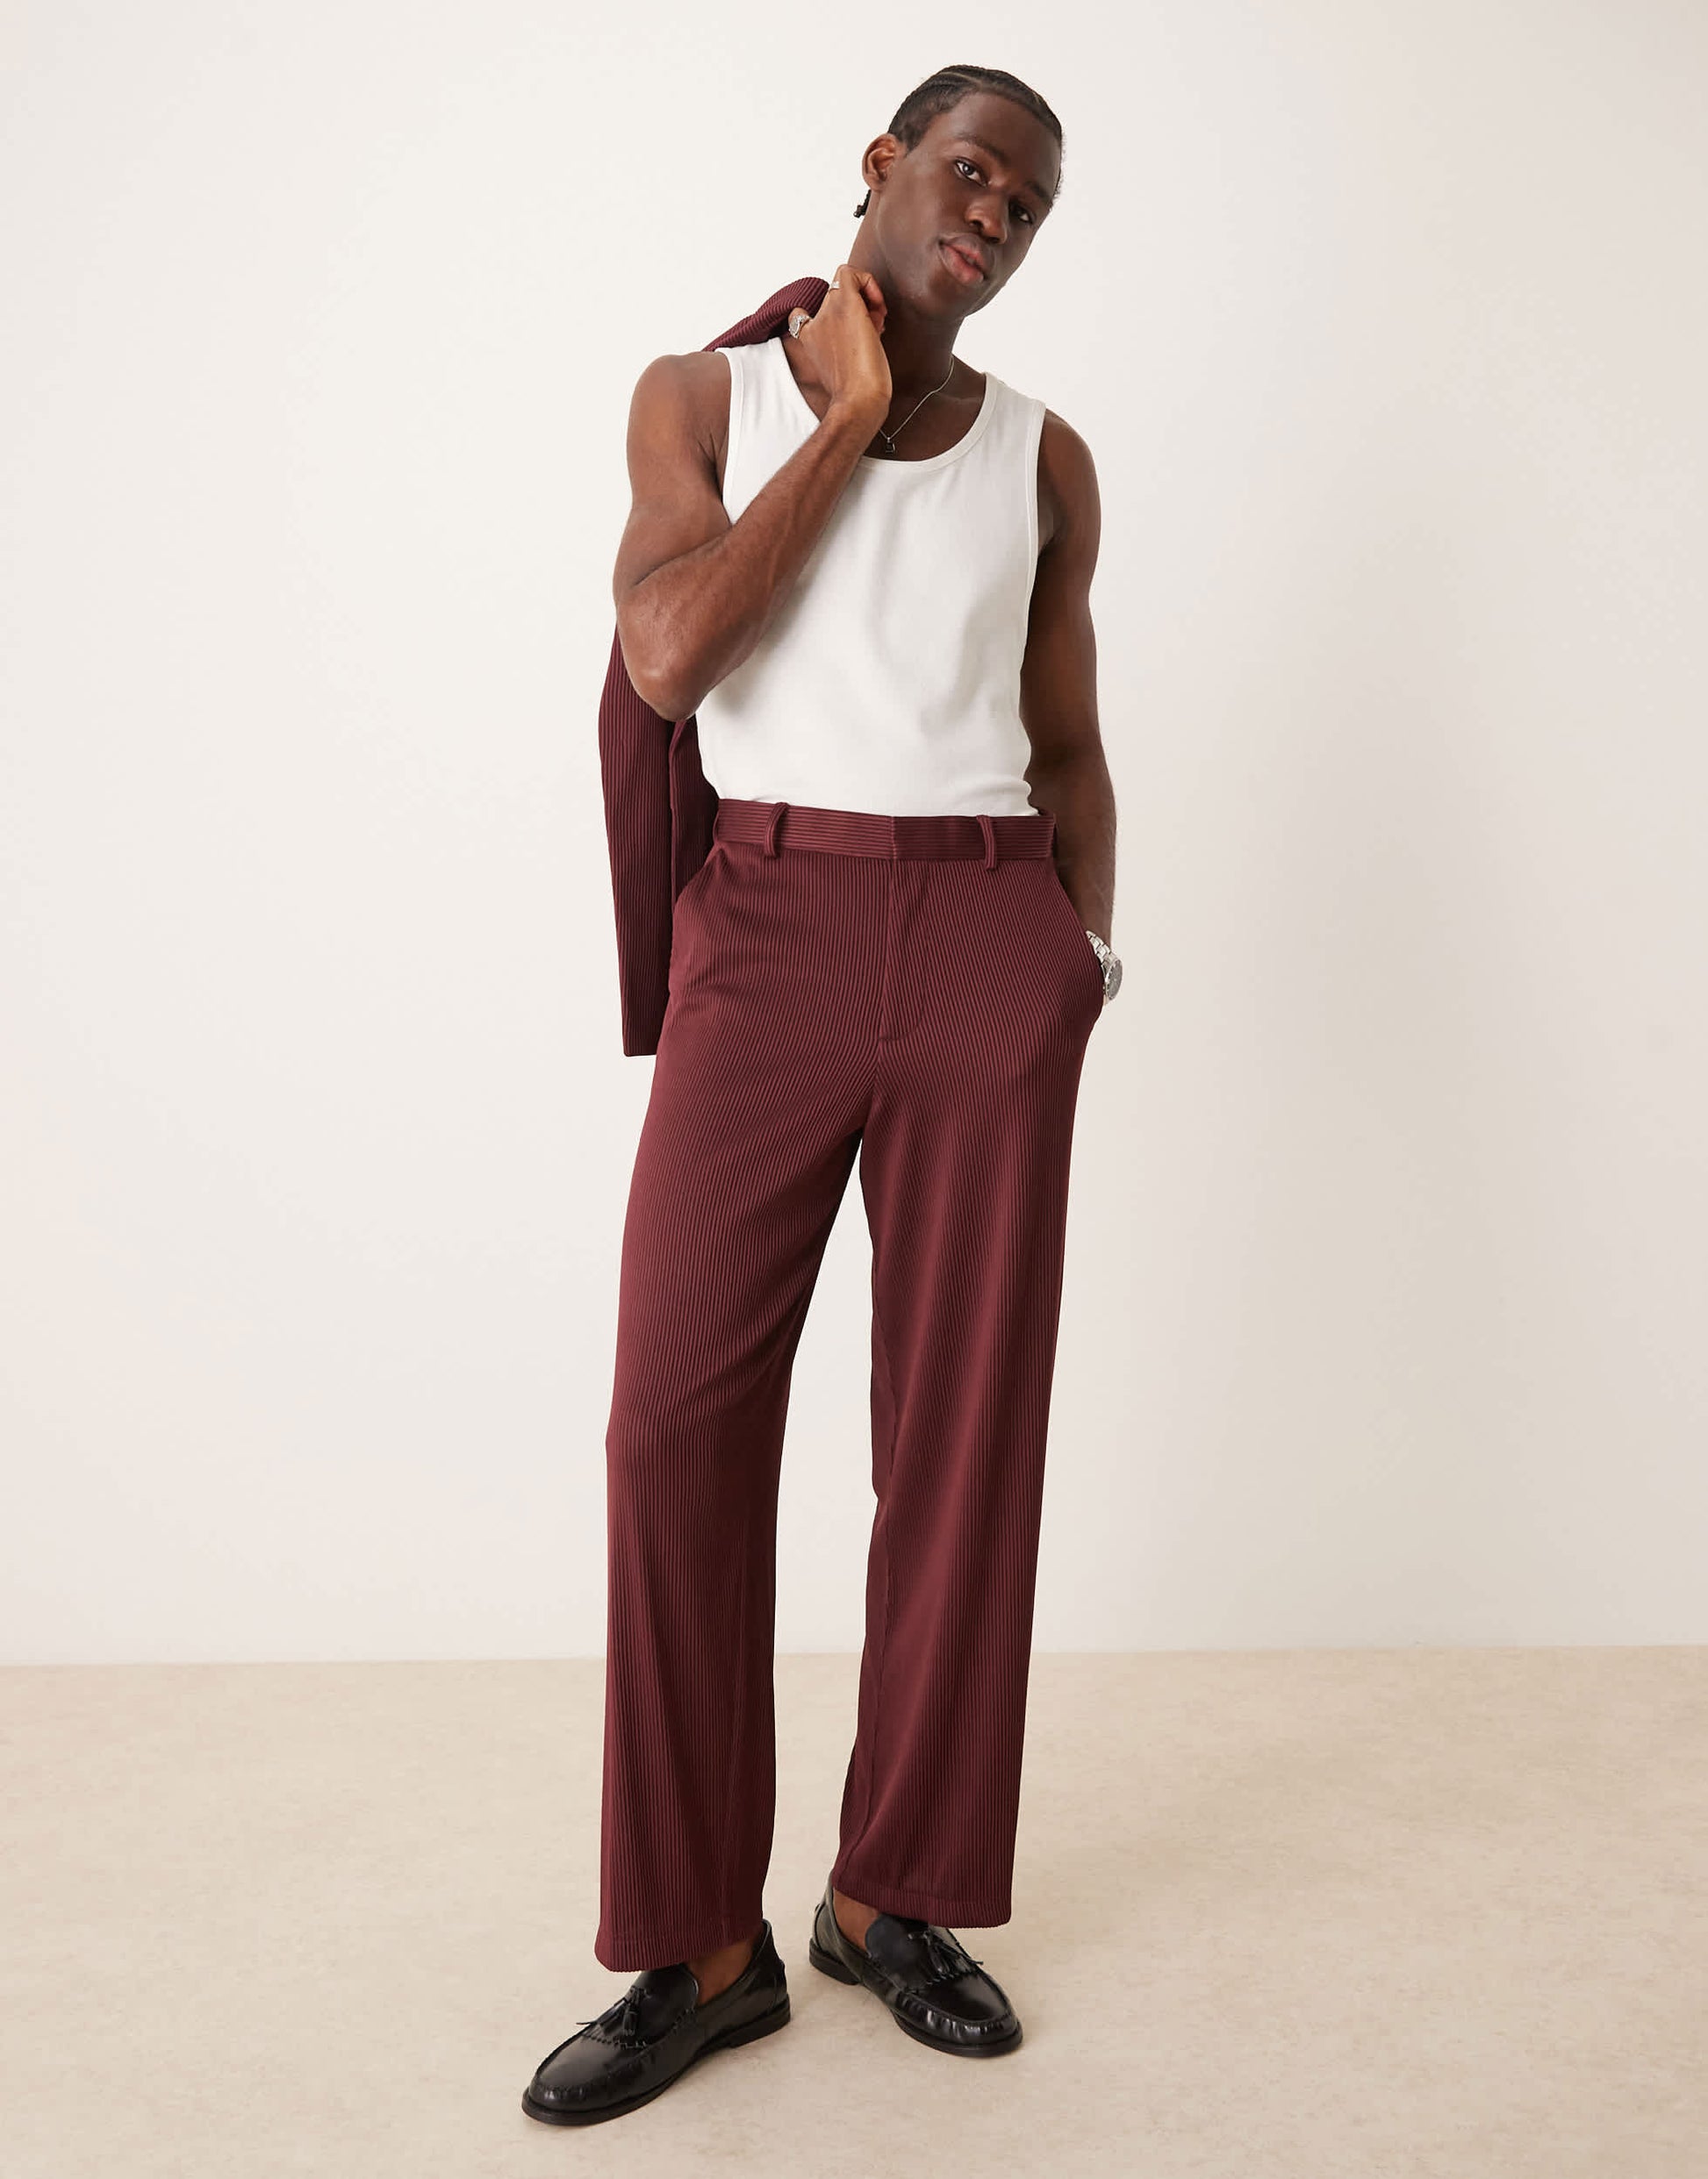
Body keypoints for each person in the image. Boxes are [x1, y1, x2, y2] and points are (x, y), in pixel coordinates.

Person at [522, 61, 1122, 2127]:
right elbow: (668, 656)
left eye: (1027, 205)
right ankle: (701, 1946)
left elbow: (1068, 736)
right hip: (765, 928)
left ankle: (894, 1896)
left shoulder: (1046, 458)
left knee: (962, 1442)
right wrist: (847, 421)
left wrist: (1076, 966)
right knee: (670, 1424)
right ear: (880, 167)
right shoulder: (703, 398)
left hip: (984, 936)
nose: (994, 218)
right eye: (971, 173)